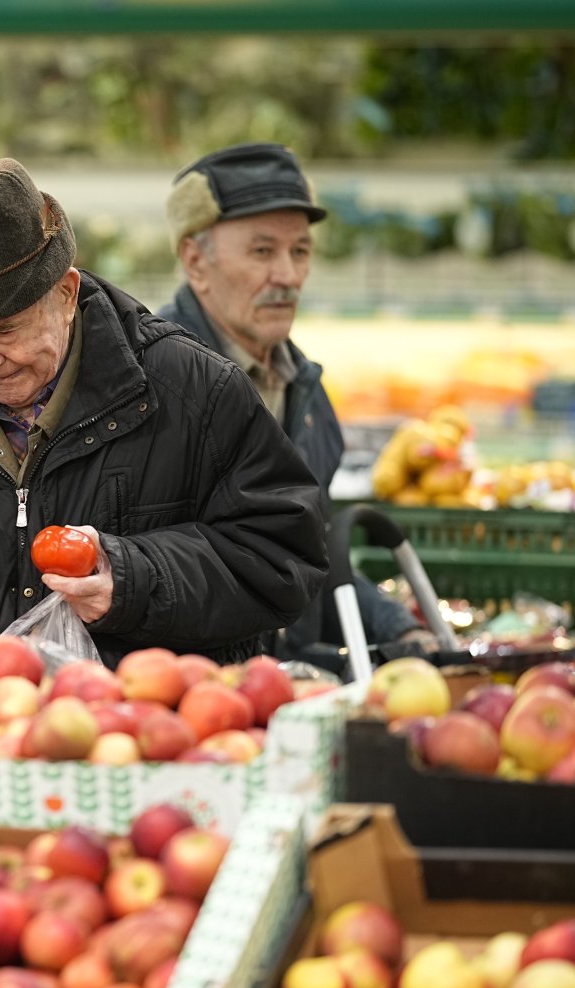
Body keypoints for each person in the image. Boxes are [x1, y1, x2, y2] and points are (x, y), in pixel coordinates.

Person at [0, 158, 327, 666]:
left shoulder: (198, 393)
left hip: (146, 731)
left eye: (4, 330)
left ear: (65, 293)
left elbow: (282, 561)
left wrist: (130, 578)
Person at [156, 142, 425, 654]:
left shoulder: (306, 392)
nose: (287, 275)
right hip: (191, 699)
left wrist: (398, 629)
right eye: (262, 251)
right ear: (195, 261)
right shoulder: (153, 389)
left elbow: (303, 559)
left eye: (299, 251)